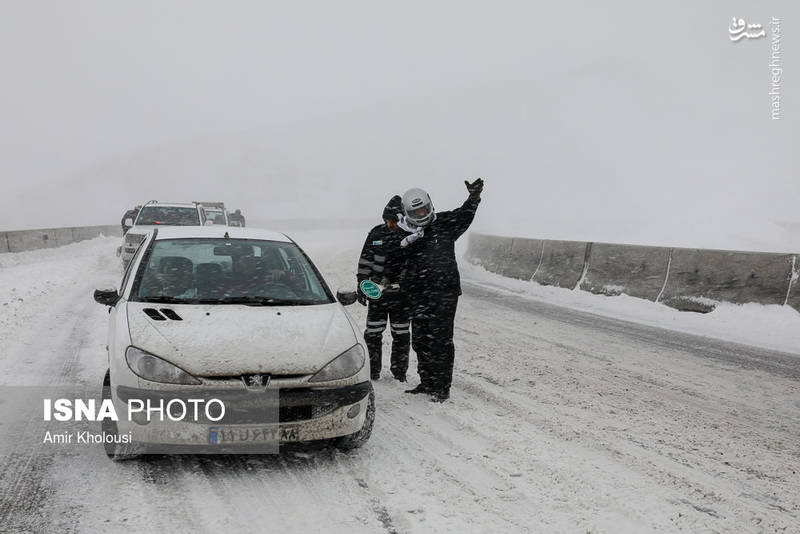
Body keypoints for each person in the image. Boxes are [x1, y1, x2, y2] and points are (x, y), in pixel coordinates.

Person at [400, 178, 484, 402]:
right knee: (420, 340)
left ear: (431, 205)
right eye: (416, 212)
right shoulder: (405, 236)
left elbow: (465, 215)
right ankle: (426, 382)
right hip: (418, 295)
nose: (421, 215)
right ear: (407, 213)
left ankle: (442, 387)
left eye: (424, 210)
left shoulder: (445, 222)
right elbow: (397, 262)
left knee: (441, 341)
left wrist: (474, 197)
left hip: (444, 293)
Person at [356, 195, 411, 381]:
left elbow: (414, 266)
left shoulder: (410, 236)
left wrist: (407, 286)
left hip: (401, 297)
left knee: (401, 333)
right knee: (373, 332)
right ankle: (372, 371)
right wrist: (362, 284)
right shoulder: (376, 234)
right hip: (377, 294)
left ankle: (399, 373)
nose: (390, 224)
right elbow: (365, 260)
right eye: (388, 220)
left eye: (394, 221)